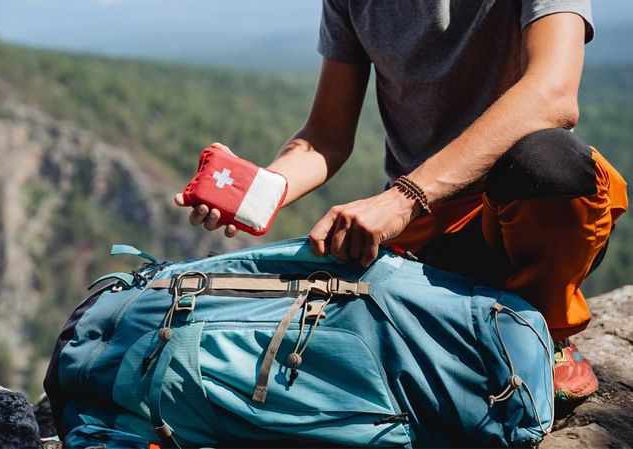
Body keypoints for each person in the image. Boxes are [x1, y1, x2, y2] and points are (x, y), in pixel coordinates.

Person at [174, 1, 628, 402]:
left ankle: (542, 333)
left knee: (550, 163)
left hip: (522, 217)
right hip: (425, 238)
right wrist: (256, 189)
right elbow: (325, 136)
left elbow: (552, 95)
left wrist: (405, 197)